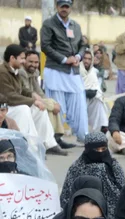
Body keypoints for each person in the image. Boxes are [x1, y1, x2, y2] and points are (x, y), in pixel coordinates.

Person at [0, 45, 66, 155]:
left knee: (39, 109)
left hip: (11, 106)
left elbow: (23, 90)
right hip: (4, 108)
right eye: (21, 58)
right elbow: (9, 96)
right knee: (24, 109)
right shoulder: (2, 72)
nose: (23, 61)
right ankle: (27, 148)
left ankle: (48, 144)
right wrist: (32, 101)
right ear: (12, 58)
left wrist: (33, 95)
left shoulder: (15, 70)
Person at [40, 0, 88, 142]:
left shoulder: (76, 26)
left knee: (79, 102)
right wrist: (64, 59)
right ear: (57, 7)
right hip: (56, 70)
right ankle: (56, 139)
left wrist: (78, 56)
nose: (64, 9)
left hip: (73, 71)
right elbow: (45, 46)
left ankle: (83, 136)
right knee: (57, 105)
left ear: (71, 8)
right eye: (62, 6)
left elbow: (83, 45)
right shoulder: (49, 24)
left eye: (67, 7)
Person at [61, 132, 125, 216]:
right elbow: (66, 196)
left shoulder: (113, 165)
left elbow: (123, 191)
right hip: (81, 211)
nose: (100, 153)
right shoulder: (76, 168)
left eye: (103, 149)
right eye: (96, 150)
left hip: (113, 212)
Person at [20, 50, 74, 149]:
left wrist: (51, 102)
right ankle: (52, 140)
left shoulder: (35, 72)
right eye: (30, 62)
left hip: (33, 100)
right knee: (48, 107)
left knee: (53, 103)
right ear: (24, 61)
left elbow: (39, 91)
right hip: (25, 102)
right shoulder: (22, 72)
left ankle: (56, 138)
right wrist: (50, 105)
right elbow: (27, 92)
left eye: (36, 62)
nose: (33, 65)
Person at [80, 50, 110, 133]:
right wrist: (84, 92)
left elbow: (98, 88)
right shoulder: (76, 70)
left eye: (89, 59)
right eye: (85, 58)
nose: (87, 61)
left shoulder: (94, 71)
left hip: (92, 98)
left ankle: (103, 126)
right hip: (79, 99)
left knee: (99, 102)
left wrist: (94, 93)